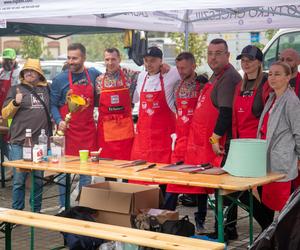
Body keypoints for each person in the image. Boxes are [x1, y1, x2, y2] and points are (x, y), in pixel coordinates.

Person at [184, 39, 241, 239]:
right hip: (206, 142)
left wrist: (215, 139)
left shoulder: (228, 77)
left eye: (218, 53)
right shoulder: (217, 76)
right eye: (210, 53)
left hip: (221, 144)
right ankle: (224, 228)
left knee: (224, 190)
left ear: (227, 55)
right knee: (220, 189)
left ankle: (226, 229)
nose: (213, 57)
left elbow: (225, 112)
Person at [242, 61, 300, 231]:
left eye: (278, 74)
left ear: (288, 77)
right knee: (262, 200)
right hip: (265, 160)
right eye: (271, 74)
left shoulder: (292, 101)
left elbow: (298, 132)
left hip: (281, 162)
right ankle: (269, 234)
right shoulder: (272, 98)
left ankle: (276, 235)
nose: (272, 78)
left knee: (281, 206)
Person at [50, 43, 100, 209]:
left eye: (75, 58)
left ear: (84, 58)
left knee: (86, 173)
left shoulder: (93, 74)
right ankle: (64, 206)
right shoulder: (59, 80)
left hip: (87, 132)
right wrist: (59, 121)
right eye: (69, 58)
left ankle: (82, 207)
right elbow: (53, 105)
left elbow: (112, 77)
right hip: (67, 133)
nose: (71, 61)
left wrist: (162, 68)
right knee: (64, 173)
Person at [163, 52, 208, 233]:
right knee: (173, 182)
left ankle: (201, 220)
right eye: (178, 68)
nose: (180, 71)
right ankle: (166, 218)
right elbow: (175, 108)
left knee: (200, 184)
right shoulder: (176, 86)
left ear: (193, 65)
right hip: (181, 139)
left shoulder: (202, 85)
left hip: (197, 140)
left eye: (184, 68)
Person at [2, 58, 50, 212]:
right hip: (19, 142)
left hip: (40, 143)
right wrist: (15, 102)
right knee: (19, 180)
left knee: (38, 181)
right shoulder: (16, 89)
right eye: (26, 70)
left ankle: (36, 212)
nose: (29, 73)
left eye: (32, 70)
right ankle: (17, 212)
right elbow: (5, 114)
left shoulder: (46, 89)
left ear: (39, 73)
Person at [131, 46, 180, 164]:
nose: (148, 64)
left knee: (163, 173)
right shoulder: (141, 76)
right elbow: (135, 99)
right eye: (146, 60)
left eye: (153, 60)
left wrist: (169, 66)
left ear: (160, 61)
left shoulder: (170, 74)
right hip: (144, 137)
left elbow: (185, 69)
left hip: (164, 137)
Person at [95, 48, 139, 160]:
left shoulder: (131, 75)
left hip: (124, 128)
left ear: (119, 59)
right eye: (107, 59)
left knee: (126, 163)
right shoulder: (99, 80)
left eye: (113, 59)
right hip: (106, 129)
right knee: (108, 164)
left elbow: (150, 73)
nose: (110, 63)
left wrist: (164, 67)